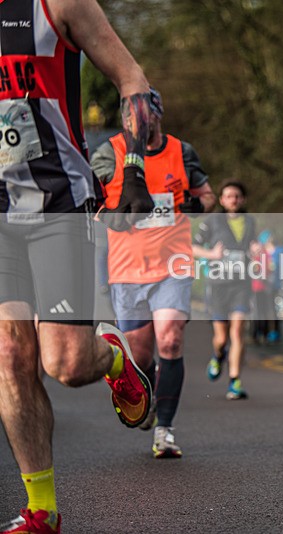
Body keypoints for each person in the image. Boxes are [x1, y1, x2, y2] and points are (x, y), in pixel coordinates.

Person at [0, 1, 157, 532]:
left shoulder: (57, 4)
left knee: (64, 365)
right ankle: (41, 509)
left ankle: (113, 359)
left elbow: (132, 79)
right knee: (9, 356)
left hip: (56, 204)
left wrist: (132, 167)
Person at [90, 88, 216, 458]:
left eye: (145, 118)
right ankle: (144, 400)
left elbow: (207, 194)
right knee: (140, 358)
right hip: (127, 268)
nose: (138, 125)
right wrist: (110, 214)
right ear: (124, 120)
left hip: (172, 265)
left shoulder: (181, 151)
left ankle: (165, 430)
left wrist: (196, 204)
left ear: (157, 116)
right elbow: (91, 201)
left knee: (171, 340)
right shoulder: (107, 153)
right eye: (131, 119)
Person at [193, 181, 258, 400]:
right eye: (229, 196)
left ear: (243, 199)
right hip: (218, 285)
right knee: (221, 338)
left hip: (241, 284)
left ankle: (234, 382)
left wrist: (256, 250)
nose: (233, 200)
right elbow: (192, 247)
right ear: (222, 200)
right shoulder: (212, 222)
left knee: (237, 331)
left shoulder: (250, 222)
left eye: (237, 196)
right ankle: (218, 355)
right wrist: (211, 255)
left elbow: (253, 246)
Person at [250, 230, 283, 344]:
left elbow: (269, 269)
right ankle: (261, 333)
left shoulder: (270, 253)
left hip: (267, 286)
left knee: (266, 310)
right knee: (262, 311)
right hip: (261, 286)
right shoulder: (262, 254)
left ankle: (265, 334)